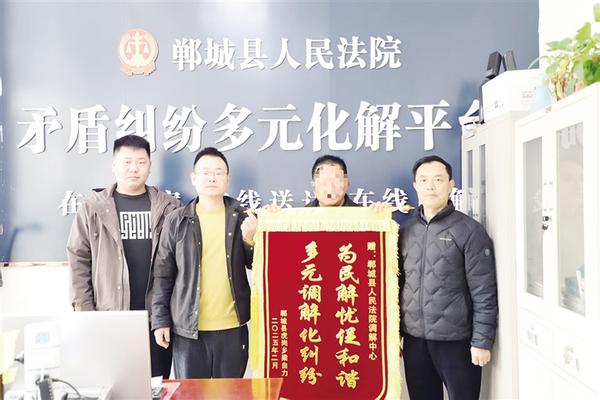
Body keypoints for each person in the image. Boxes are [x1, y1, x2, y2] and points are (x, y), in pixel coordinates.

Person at [67, 135, 180, 379]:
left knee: (156, 386)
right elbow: (79, 260)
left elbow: (181, 264)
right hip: (110, 318)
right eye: (126, 162)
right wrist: (86, 314)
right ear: (114, 165)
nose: (133, 168)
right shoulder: (92, 208)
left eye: (140, 162)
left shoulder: (170, 208)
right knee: (113, 384)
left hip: (157, 320)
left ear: (150, 166)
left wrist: (170, 316)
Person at [400, 155, 498, 400]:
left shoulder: (470, 231)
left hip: (456, 341)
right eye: (424, 180)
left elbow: (484, 291)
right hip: (415, 341)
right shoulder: (405, 231)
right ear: (415, 186)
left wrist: (481, 341)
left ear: (451, 184)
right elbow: (397, 284)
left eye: (438, 179)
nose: (430, 186)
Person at [151, 147, 255, 378]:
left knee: (229, 394)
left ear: (228, 179)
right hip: (188, 331)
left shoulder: (243, 217)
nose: (212, 178)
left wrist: (250, 239)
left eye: (218, 172)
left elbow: (257, 265)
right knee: (191, 394)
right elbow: (162, 274)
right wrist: (160, 321)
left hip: (232, 328)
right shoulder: (176, 221)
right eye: (206, 172)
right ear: (193, 178)